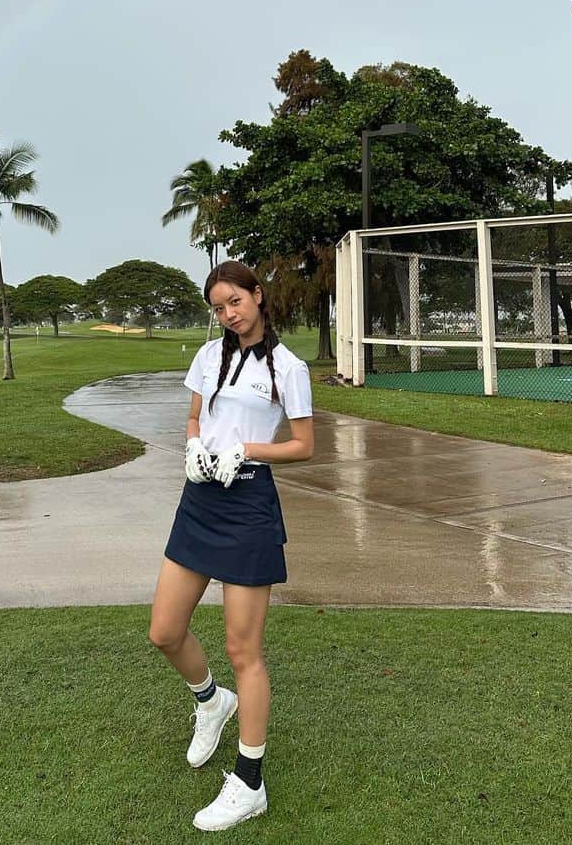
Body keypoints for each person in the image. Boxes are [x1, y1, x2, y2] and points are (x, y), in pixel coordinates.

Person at [148, 260, 314, 832]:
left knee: (244, 650)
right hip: (200, 498)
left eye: (235, 302)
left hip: (247, 506)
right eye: (219, 307)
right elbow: (196, 415)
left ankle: (249, 783)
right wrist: (194, 446)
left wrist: (246, 450)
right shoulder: (208, 356)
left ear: (257, 296)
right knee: (164, 631)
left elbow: (303, 445)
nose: (228, 314)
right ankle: (210, 702)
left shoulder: (288, 367)